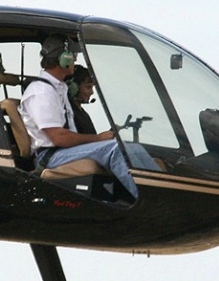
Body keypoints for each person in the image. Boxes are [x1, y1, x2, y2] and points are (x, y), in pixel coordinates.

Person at [18, 34, 150, 199]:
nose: (75, 60)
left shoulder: (58, 88)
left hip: (63, 151)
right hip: (51, 155)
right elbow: (59, 138)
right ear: (63, 59)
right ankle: (147, 203)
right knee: (117, 149)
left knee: (132, 148)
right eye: (73, 56)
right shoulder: (41, 91)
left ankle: (161, 196)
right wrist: (98, 138)